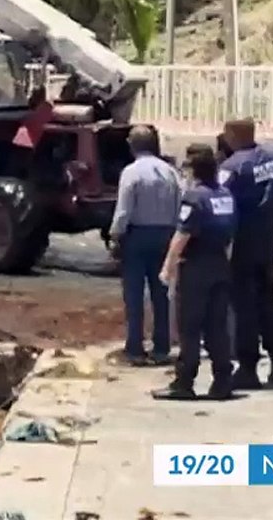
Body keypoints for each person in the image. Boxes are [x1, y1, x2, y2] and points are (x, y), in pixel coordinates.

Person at [153, 143, 237, 400]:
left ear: (194, 170)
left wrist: (167, 268)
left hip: (196, 269)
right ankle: (223, 381)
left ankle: (184, 382)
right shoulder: (225, 195)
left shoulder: (194, 197)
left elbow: (182, 235)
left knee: (189, 327)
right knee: (216, 327)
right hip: (220, 265)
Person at [218, 117, 273, 389]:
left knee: (243, 306)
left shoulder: (232, 167)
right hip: (267, 240)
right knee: (267, 301)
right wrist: (271, 218)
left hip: (241, 242)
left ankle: (248, 368)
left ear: (231, 135)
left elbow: (220, 202)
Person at [109, 125, 182, 366]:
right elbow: (180, 205)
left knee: (134, 294)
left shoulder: (131, 172)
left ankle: (135, 347)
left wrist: (115, 235)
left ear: (132, 145)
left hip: (137, 236)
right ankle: (161, 347)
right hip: (166, 235)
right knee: (161, 293)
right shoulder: (170, 172)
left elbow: (124, 210)